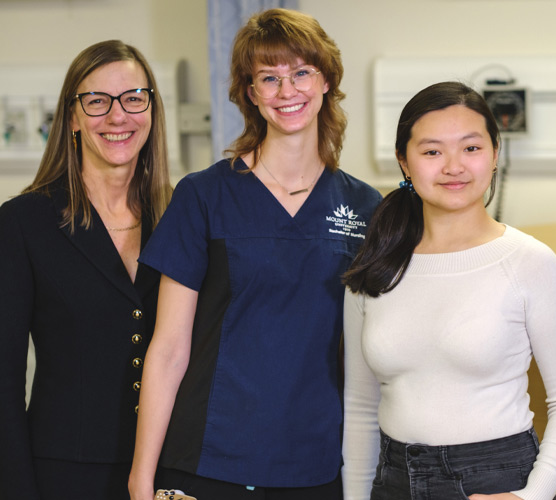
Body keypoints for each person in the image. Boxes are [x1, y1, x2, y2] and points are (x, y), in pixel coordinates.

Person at [127, 8, 381, 500]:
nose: (287, 92)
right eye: (269, 77)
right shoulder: (203, 196)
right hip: (207, 459)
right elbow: (168, 350)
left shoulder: (365, 207)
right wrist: (141, 479)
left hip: (316, 464)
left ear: (326, 80)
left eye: (301, 72)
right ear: (250, 93)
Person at [341, 81, 556, 500]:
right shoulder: (375, 266)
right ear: (404, 162)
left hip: (500, 481)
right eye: (432, 151)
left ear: (495, 154)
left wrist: (531, 496)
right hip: (393, 480)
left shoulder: (530, 262)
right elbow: (361, 407)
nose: (453, 166)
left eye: (471, 148)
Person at [0, 40, 172, 500]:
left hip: (168, 471)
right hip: (64, 476)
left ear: (152, 110)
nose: (118, 116)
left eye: (133, 98)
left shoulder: (183, 215)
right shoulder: (23, 223)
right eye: (97, 101)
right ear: (72, 117)